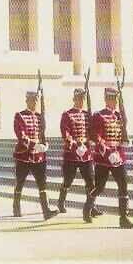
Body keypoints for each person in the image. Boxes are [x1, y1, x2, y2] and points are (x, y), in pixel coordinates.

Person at [84, 88, 133, 229]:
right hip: (104, 158)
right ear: (107, 99)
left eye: (116, 99)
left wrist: (125, 141)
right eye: (112, 99)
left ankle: (123, 218)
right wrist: (106, 151)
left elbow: (121, 134)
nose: (114, 102)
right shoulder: (99, 115)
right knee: (100, 187)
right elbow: (96, 136)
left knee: (123, 185)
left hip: (118, 156)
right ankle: (88, 206)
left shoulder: (119, 116)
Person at [12, 91, 58, 221]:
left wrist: (45, 144)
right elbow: (21, 136)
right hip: (24, 156)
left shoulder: (39, 116)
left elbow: (42, 134)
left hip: (38, 157)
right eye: (32, 101)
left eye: (36, 101)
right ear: (27, 101)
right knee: (20, 182)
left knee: (42, 184)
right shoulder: (20, 116)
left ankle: (46, 211)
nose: (34, 103)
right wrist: (34, 145)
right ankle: (16, 207)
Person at [57, 88, 103, 218]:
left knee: (90, 182)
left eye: (82, 99)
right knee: (68, 181)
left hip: (86, 154)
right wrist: (74, 141)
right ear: (74, 99)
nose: (81, 101)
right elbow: (65, 131)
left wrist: (89, 140)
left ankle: (91, 207)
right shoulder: (67, 114)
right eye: (78, 98)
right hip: (72, 154)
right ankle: (61, 201)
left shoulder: (88, 115)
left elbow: (92, 132)